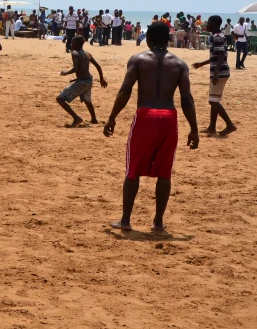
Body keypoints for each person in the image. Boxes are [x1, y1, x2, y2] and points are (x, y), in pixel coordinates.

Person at [104, 22, 199, 231]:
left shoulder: (138, 60)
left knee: (133, 170)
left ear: (148, 39)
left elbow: (125, 90)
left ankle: (126, 220)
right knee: (165, 172)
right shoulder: (180, 64)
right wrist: (194, 128)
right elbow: (187, 98)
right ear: (169, 39)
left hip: (145, 116)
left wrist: (112, 117)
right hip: (169, 118)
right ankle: (158, 222)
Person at [191, 15, 236, 137]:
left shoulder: (217, 37)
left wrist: (216, 74)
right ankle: (212, 127)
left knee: (213, 101)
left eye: (209, 23)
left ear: (215, 24)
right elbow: (216, 56)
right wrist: (202, 64)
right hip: (220, 72)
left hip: (220, 73)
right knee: (214, 99)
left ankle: (230, 125)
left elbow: (221, 56)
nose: (207, 25)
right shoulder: (217, 36)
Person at [56, 35, 107, 127]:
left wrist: (65, 73)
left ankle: (76, 118)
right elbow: (98, 67)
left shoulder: (74, 53)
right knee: (87, 100)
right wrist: (101, 79)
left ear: (76, 44)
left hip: (81, 82)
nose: (71, 44)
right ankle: (94, 119)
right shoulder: (88, 54)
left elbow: (75, 68)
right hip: (89, 81)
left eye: (72, 42)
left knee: (60, 99)